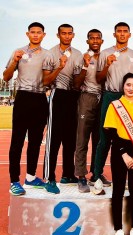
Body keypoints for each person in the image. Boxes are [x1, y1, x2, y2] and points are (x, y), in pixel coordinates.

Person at [3, 22, 52, 195]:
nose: (36, 35)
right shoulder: (19, 52)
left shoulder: (48, 54)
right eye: (33, 32)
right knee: (17, 141)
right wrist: (14, 61)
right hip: (23, 97)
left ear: (44, 35)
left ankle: (30, 176)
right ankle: (14, 181)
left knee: (36, 141)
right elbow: (6, 77)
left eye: (39, 32)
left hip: (40, 98)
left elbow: (50, 80)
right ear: (27, 34)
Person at [103, 73, 133, 235]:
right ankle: (118, 231)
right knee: (118, 190)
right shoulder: (115, 105)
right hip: (120, 151)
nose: (131, 88)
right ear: (123, 86)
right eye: (128, 85)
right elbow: (111, 132)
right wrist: (124, 154)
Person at [93, 22, 133, 187]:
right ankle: (97, 175)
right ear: (114, 34)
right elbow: (98, 78)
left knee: (128, 137)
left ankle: (127, 177)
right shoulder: (105, 53)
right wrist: (107, 64)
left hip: (128, 97)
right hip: (110, 95)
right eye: (119, 31)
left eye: (125, 31)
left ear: (129, 34)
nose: (122, 34)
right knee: (104, 138)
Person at [42, 24, 83, 194]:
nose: (66, 36)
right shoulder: (50, 54)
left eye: (69, 33)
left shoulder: (78, 54)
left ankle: (67, 174)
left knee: (70, 139)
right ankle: (49, 178)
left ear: (73, 35)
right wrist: (59, 66)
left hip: (73, 97)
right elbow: (45, 81)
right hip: (57, 95)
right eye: (63, 33)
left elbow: (77, 83)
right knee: (54, 139)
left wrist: (84, 68)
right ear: (58, 35)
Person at [74, 29, 104, 193]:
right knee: (82, 139)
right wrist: (85, 65)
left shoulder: (106, 57)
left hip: (103, 98)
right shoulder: (83, 58)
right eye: (91, 38)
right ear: (87, 41)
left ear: (102, 41)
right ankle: (81, 176)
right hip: (87, 98)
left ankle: (96, 173)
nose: (94, 40)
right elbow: (76, 83)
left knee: (100, 140)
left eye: (97, 38)